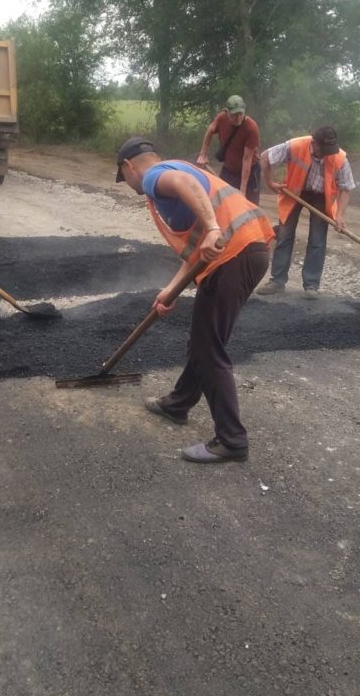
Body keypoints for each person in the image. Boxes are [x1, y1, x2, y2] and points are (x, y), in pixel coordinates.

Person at [115, 136, 275, 463]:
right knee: (203, 340)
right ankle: (178, 404)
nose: (129, 183)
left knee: (208, 348)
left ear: (129, 166)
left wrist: (214, 229)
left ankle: (232, 440)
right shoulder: (173, 173)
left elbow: (187, 187)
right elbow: (197, 247)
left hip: (233, 255)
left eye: (124, 176)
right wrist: (170, 290)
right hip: (244, 252)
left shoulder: (155, 176)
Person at [257, 125, 355, 299]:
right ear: (314, 143)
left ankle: (311, 285)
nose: (327, 153)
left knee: (317, 240)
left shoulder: (339, 157)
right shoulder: (296, 146)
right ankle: (277, 282)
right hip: (295, 191)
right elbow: (265, 157)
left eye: (330, 150)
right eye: (324, 149)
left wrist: (340, 215)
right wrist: (270, 182)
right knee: (285, 235)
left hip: (321, 197)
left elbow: (346, 188)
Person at [196, 95, 261, 204]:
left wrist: (242, 190)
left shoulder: (251, 127)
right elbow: (210, 131)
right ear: (227, 112)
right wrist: (203, 154)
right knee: (223, 201)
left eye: (241, 114)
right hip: (229, 169)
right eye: (234, 115)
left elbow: (247, 159)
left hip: (249, 171)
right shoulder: (221, 118)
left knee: (249, 205)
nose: (238, 118)